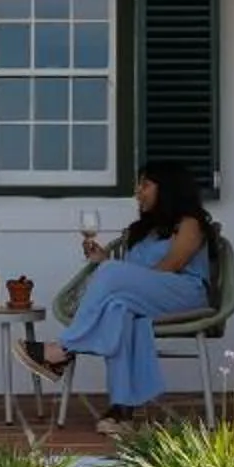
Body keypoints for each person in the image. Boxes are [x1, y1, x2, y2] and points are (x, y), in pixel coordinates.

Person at [18, 163, 216, 435]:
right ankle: (122, 411)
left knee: (114, 280)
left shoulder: (189, 223)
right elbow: (135, 278)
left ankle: (63, 349)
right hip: (148, 298)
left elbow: (172, 265)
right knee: (117, 308)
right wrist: (105, 262)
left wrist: (117, 273)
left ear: (167, 188)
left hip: (183, 294)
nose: (138, 192)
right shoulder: (144, 230)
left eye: (145, 185)